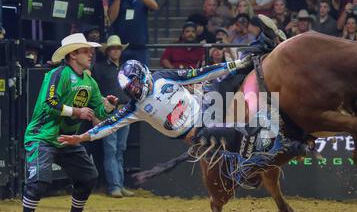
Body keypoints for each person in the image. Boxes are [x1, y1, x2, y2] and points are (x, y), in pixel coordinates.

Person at [15, 33, 118, 212]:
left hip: (66, 140)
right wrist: (76, 111)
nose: (90, 54)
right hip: (42, 136)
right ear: (72, 55)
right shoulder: (57, 74)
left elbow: (98, 109)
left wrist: (108, 106)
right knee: (39, 182)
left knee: (89, 177)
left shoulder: (89, 81)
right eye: (84, 51)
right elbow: (49, 103)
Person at [57, 56, 254, 152]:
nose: (133, 90)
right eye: (129, 88)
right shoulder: (135, 107)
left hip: (205, 106)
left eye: (134, 84)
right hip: (196, 133)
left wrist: (234, 65)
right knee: (230, 133)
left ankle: (254, 55)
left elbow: (199, 73)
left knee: (229, 80)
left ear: (142, 75)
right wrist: (81, 137)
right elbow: (109, 125)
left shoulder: (163, 77)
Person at [94, 35, 134, 198]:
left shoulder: (125, 68)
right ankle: (115, 186)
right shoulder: (100, 68)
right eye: (113, 48)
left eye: (118, 48)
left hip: (124, 110)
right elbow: (96, 92)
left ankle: (118, 184)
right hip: (110, 111)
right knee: (112, 149)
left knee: (119, 149)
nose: (116, 51)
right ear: (108, 51)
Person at [108, 0, 158, 67]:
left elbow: (154, 6)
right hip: (121, 47)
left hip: (140, 47)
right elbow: (111, 18)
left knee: (142, 76)